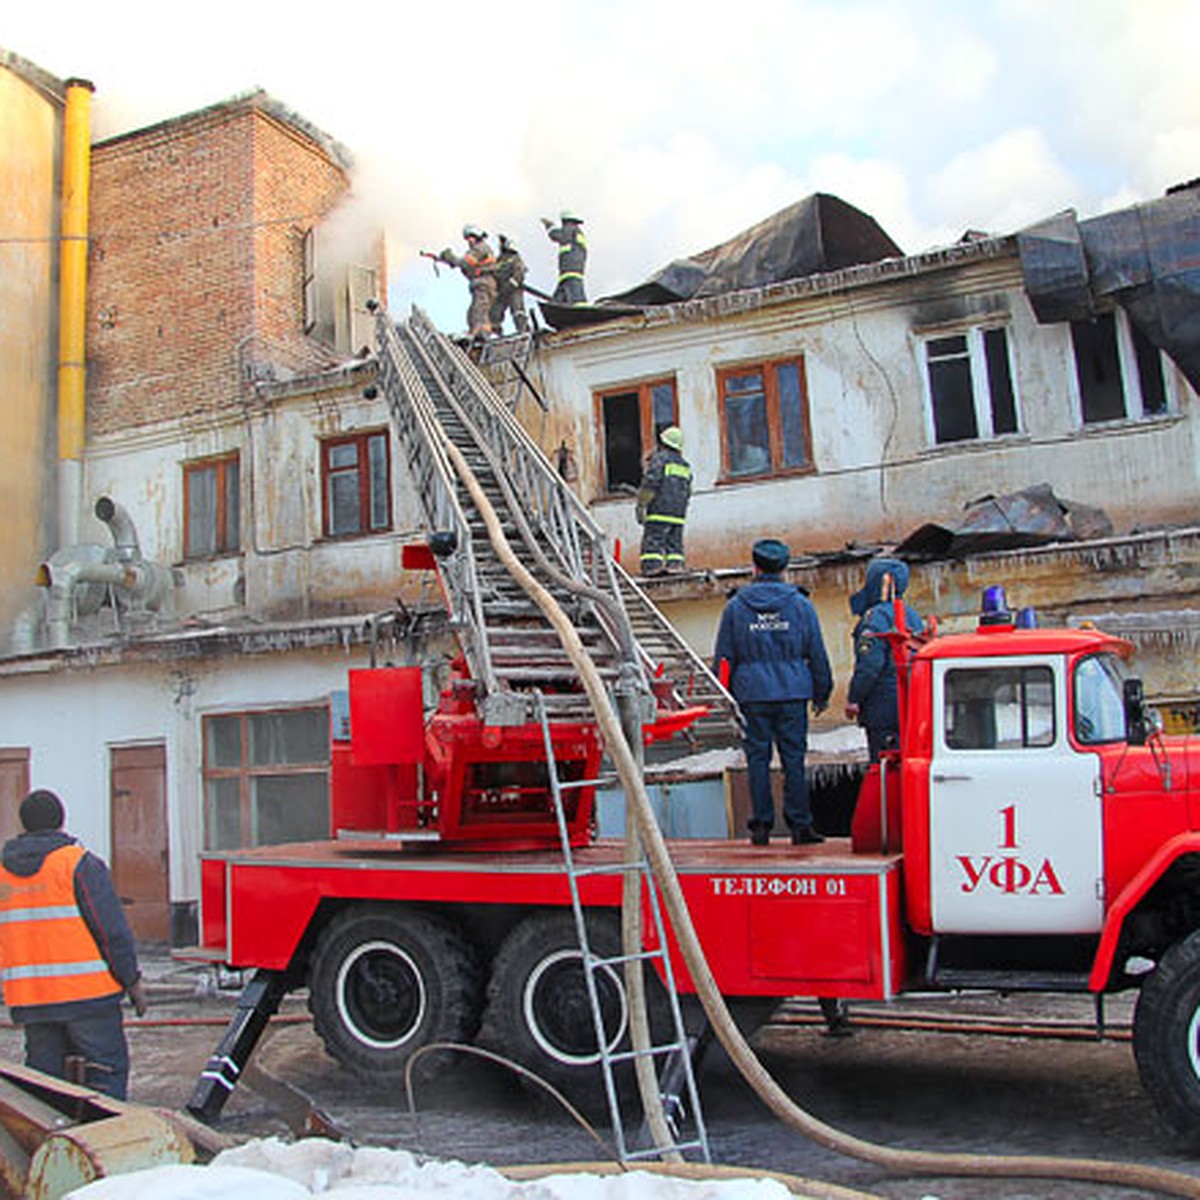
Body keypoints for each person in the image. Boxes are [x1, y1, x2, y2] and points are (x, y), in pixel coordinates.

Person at [0, 789, 146, 1098]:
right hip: (89, 997)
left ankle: (52, 1139)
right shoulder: (78, 864)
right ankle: (103, 1139)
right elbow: (111, 932)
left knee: (45, 1089)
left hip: (32, 1001)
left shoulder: (3, 874)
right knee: (106, 1076)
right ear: (61, 821)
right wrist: (131, 981)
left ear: (23, 824)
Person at [713, 539, 833, 845]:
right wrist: (823, 690)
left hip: (752, 693)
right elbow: (816, 651)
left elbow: (724, 657)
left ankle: (761, 826)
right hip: (793, 691)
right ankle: (800, 825)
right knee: (794, 758)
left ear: (755, 567)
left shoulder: (737, 606)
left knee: (757, 758)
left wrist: (723, 696)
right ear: (784, 569)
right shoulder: (800, 605)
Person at [844, 557, 924, 761]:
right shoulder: (913, 616)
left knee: (884, 769)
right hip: (913, 704)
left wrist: (854, 698)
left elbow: (870, 665)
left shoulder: (875, 618)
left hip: (883, 708)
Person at [636, 425, 692, 576]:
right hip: (678, 513)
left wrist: (641, 505)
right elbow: (688, 491)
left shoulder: (659, 460)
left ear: (662, 442)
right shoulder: (685, 465)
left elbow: (650, 484)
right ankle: (675, 565)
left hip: (659, 511)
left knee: (653, 540)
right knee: (674, 543)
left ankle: (652, 567)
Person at [439, 225, 497, 339]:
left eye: (470, 238)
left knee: (478, 310)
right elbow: (468, 268)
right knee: (474, 312)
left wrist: (450, 257)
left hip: (484, 283)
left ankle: (481, 334)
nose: (468, 241)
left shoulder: (480, 248)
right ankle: (477, 332)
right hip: (481, 283)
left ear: (476, 236)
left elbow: (466, 262)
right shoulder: (480, 249)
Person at [540, 210, 587, 304]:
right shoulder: (578, 232)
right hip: (575, 267)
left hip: (570, 266)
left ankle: (579, 308)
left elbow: (557, 236)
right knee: (565, 286)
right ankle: (556, 304)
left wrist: (550, 227)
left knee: (575, 290)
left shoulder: (569, 228)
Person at [489, 234, 530, 335]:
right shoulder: (499, 260)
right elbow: (494, 272)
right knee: (495, 311)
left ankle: (523, 330)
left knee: (517, 310)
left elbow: (520, 273)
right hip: (502, 290)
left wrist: (512, 283)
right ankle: (495, 333)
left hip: (514, 290)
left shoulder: (515, 258)